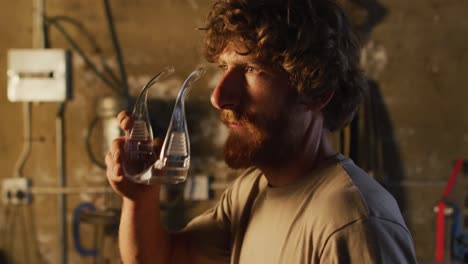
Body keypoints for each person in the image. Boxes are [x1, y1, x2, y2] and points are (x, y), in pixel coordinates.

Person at [105, 0, 417, 263]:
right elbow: (164, 258)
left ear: (317, 91)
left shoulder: (353, 223)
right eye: (224, 68)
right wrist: (140, 197)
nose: (218, 96)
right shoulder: (250, 192)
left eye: (253, 69)